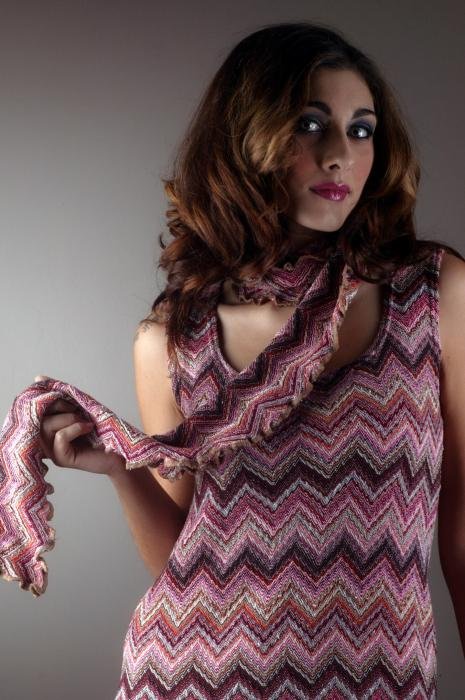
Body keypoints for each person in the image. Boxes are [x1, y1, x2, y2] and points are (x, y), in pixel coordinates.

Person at [35, 21, 465, 699]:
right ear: (246, 140)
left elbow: (462, 527)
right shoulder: (172, 337)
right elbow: (181, 556)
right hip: (188, 675)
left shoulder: (431, 293)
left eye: (360, 130)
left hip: (380, 680)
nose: (339, 155)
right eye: (309, 125)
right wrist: (121, 468)